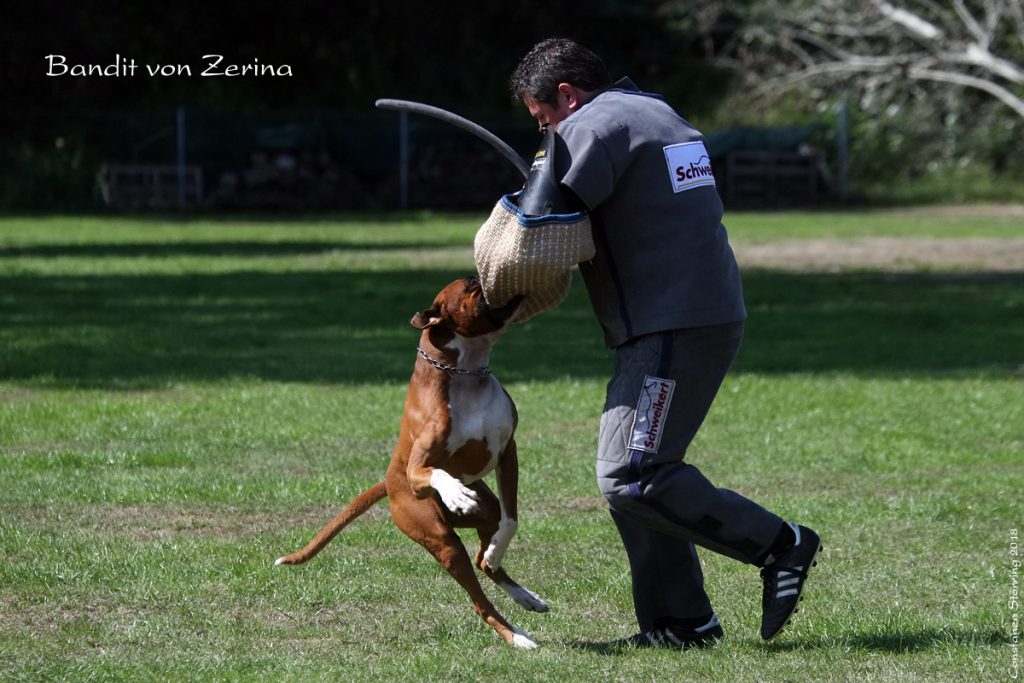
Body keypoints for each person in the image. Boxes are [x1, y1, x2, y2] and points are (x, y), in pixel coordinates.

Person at [509, 38, 822, 647]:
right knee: (634, 472)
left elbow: (542, 223)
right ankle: (683, 624)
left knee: (633, 474)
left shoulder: (595, 123)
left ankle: (780, 543)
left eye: (543, 119)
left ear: (567, 96)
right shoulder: (655, 113)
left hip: (673, 320)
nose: (547, 132)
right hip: (693, 314)